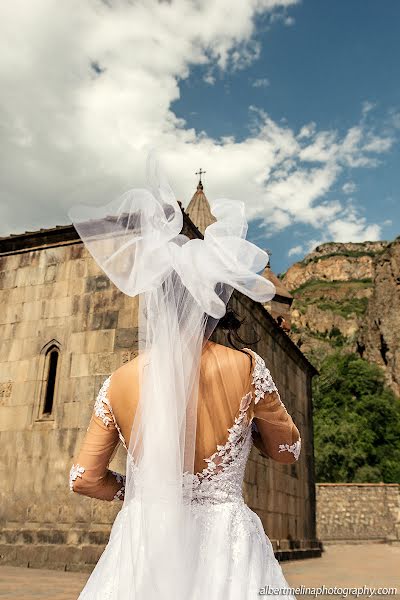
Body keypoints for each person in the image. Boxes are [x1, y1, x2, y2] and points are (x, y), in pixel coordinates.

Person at [68, 152, 301, 599]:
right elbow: (288, 451)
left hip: (145, 541)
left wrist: (135, 490)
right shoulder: (248, 367)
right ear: (217, 300)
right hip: (225, 544)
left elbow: (83, 477)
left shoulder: (120, 380)